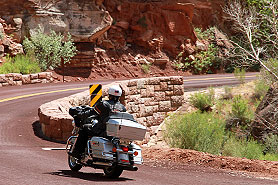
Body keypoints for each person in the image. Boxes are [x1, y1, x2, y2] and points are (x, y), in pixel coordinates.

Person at [69, 85, 126, 159]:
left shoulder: (104, 104)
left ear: (109, 94)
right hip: (115, 133)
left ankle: (77, 153)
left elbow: (91, 112)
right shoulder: (122, 108)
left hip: (101, 130)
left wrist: (79, 114)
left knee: (84, 128)